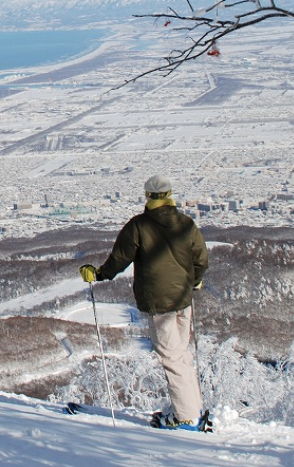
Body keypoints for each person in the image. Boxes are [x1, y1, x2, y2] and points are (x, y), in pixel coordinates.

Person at [80, 175, 210, 431]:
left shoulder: (138, 226)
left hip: (160, 304)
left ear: (148, 196)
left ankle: (186, 419)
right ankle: (191, 409)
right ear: (170, 195)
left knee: (171, 359)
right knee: (181, 356)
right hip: (184, 300)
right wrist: (195, 281)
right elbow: (201, 258)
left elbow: (119, 259)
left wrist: (98, 274)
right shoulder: (186, 223)